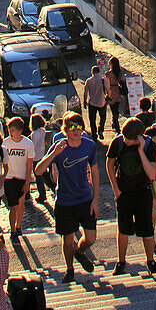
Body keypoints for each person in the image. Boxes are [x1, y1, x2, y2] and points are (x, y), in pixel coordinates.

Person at [35, 111, 99, 283]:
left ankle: (80, 252)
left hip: (85, 198)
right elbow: (38, 170)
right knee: (67, 238)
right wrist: (54, 153)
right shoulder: (59, 146)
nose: (75, 131)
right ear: (65, 130)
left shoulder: (89, 145)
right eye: (72, 127)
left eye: (79, 127)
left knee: (91, 237)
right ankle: (69, 269)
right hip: (65, 200)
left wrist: (96, 199)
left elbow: (95, 172)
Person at [106, 117, 156, 275]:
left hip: (143, 191)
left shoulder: (149, 145)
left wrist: (141, 151)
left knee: (147, 229)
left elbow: (151, 173)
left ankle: (150, 261)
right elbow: (109, 164)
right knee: (123, 229)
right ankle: (121, 261)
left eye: (128, 139)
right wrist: (116, 190)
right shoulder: (118, 142)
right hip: (124, 192)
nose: (125, 140)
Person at [1, 117, 35, 240]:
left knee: (20, 205)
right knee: (12, 206)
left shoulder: (28, 144)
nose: (11, 132)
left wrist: (28, 181)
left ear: (20, 130)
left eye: (13, 130)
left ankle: (19, 225)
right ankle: (13, 230)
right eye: (10, 130)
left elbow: (29, 164)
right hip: (9, 178)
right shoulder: (5, 143)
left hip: (21, 178)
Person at [84, 65, 109, 141]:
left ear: (92, 72)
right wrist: (109, 96)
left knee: (92, 119)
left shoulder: (88, 81)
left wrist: (84, 101)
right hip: (102, 102)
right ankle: (101, 129)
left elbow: (85, 92)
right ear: (99, 72)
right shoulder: (103, 80)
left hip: (92, 103)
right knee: (103, 117)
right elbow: (108, 90)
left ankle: (94, 134)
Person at [30, 113, 49, 201]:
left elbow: (33, 146)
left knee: (38, 177)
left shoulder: (35, 134)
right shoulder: (43, 131)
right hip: (42, 155)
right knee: (45, 175)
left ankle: (42, 194)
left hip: (36, 157)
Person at [105, 57, 126, 133]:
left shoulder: (108, 74)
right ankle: (115, 122)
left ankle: (116, 125)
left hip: (111, 91)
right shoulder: (119, 72)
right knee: (116, 109)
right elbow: (121, 81)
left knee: (113, 110)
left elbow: (106, 84)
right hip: (117, 91)